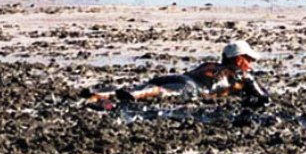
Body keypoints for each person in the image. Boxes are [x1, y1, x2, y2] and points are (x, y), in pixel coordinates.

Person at [87, 40, 270, 106]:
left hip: (182, 77)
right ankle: (134, 94)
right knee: (161, 92)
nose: (251, 65)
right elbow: (264, 98)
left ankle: (99, 94)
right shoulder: (242, 75)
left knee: (147, 86)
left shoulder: (211, 64)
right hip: (192, 87)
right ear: (239, 59)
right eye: (250, 60)